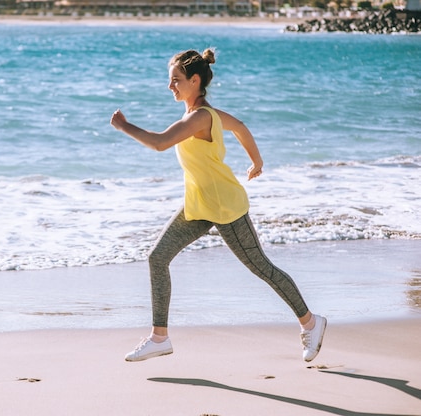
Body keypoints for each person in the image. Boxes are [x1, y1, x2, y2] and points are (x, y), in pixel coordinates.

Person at [110, 48, 326, 363]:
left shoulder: (199, 117)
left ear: (195, 80)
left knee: (261, 267)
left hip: (224, 207)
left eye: (176, 80)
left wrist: (123, 126)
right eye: (170, 80)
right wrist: (256, 160)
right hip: (199, 206)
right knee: (157, 258)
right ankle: (160, 338)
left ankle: (311, 322)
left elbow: (158, 143)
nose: (171, 86)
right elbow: (238, 125)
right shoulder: (204, 114)